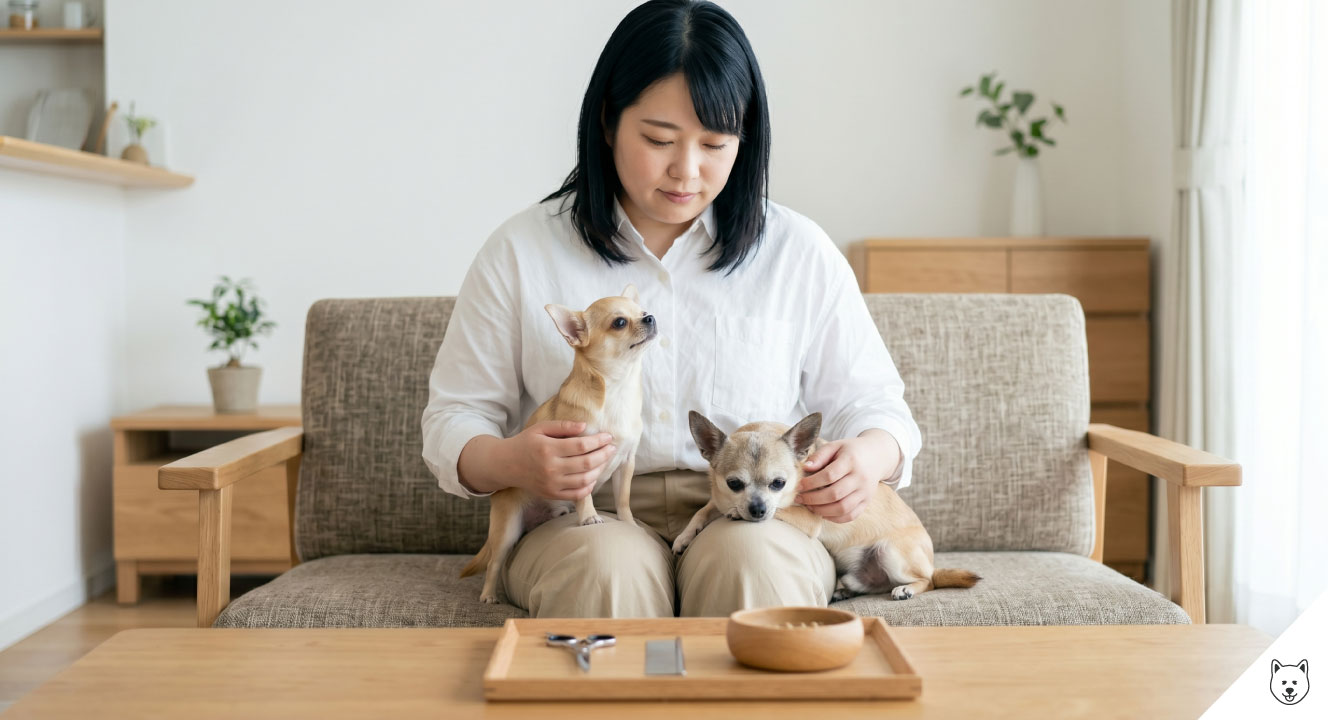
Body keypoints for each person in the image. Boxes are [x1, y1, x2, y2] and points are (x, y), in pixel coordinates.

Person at [421, 0, 920, 618]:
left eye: (715, 143)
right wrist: (510, 460)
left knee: (755, 566)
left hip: (752, 509)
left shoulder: (798, 252)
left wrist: (867, 459)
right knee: (605, 571)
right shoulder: (522, 250)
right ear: (607, 122)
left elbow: (877, 407)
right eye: (659, 140)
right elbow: (454, 416)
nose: (686, 170)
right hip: (584, 512)